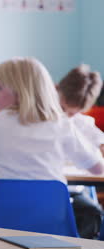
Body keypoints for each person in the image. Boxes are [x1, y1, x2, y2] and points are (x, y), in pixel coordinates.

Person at [0, 57, 104, 183]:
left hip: (5, 207)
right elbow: (98, 169)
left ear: (21, 91)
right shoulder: (62, 125)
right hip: (51, 207)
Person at [57, 64, 104, 238]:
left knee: (92, 214)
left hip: (76, 190)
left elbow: (101, 143)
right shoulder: (46, 120)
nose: (67, 116)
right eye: (63, 109)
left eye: (73, 112)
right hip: (50, 188)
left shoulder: (84, 124)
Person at [57, 64, 104, 155]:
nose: (69, 115)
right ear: (58, 89)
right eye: (63, 108)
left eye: (75, 113)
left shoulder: (78, 117)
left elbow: (83, 125)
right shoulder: (46, 101)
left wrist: (101, 143)